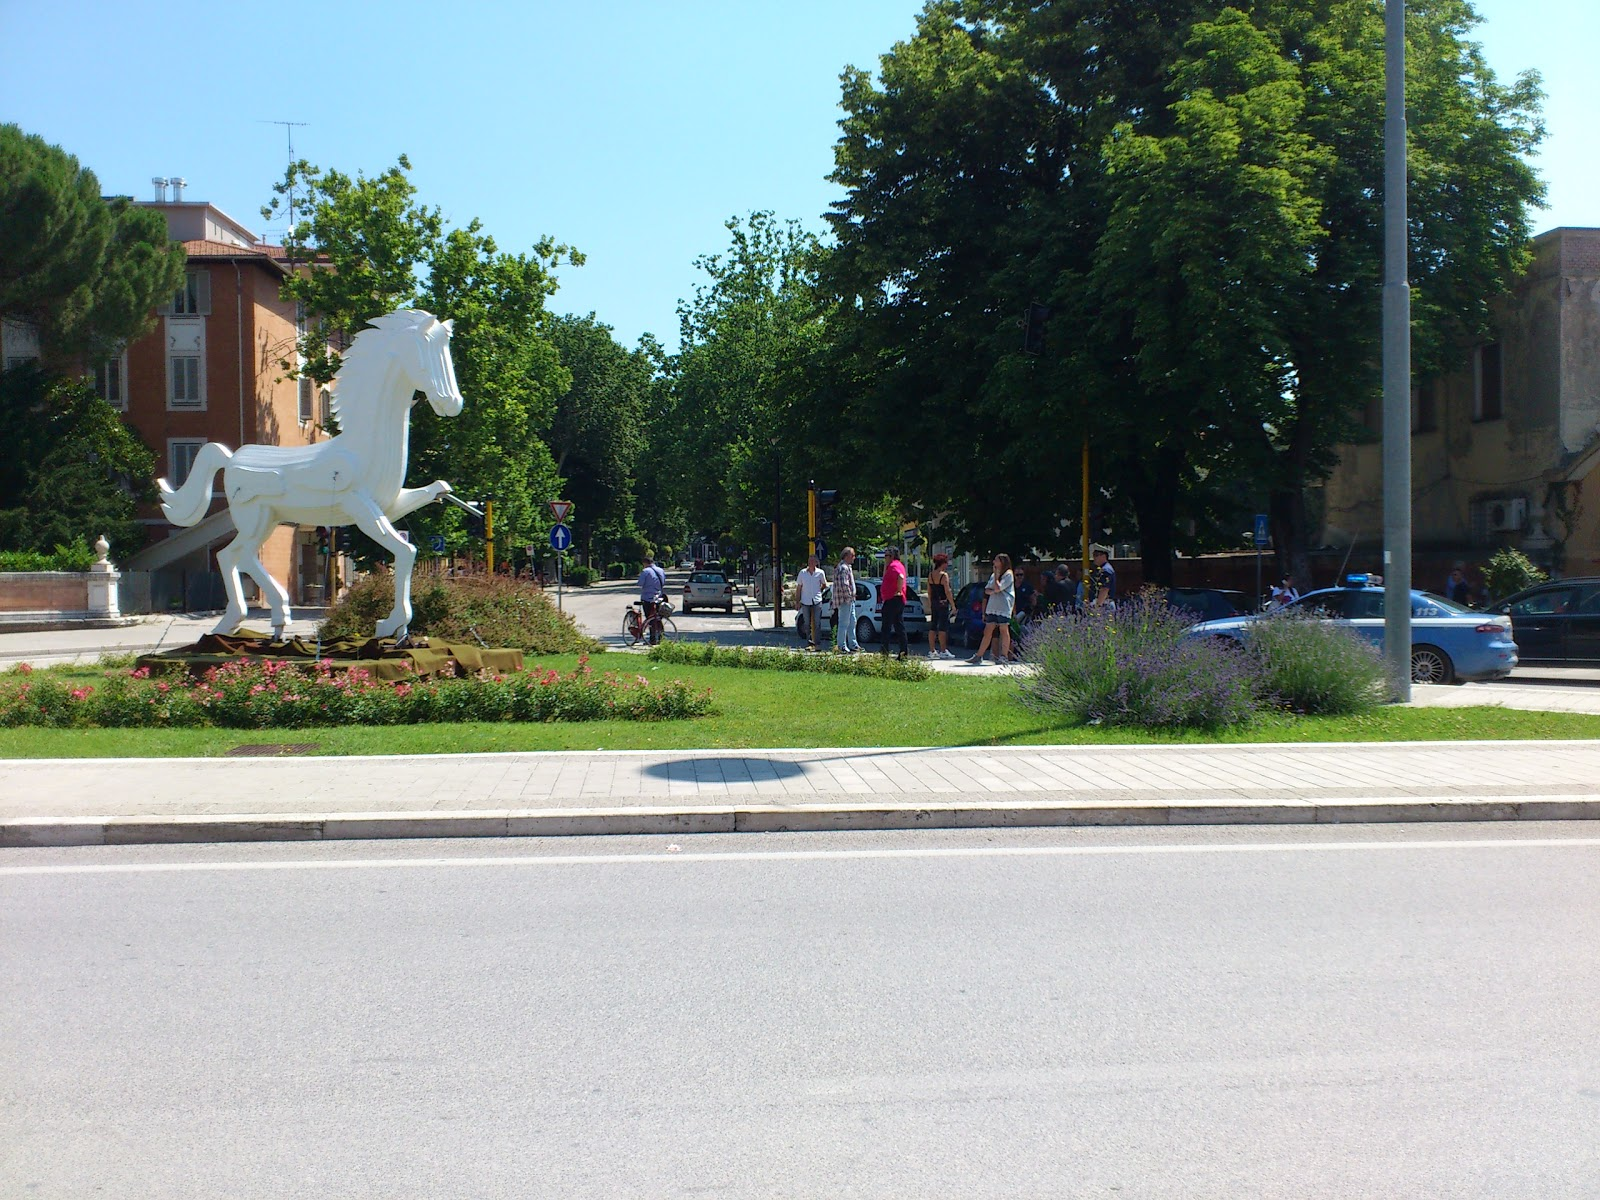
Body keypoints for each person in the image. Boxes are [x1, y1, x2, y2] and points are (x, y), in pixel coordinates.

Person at [967, 553, 1014, 665]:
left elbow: (998, 587)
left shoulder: (1008, 574)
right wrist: (994, 588)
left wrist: (997, 577)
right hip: (993, 606)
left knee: (1003, 630)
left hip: (1003, 606)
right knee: (988, 630)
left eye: (996, 560)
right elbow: (987, 590)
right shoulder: (993, 575)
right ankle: (979, 655)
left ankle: (1004, 656)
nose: (994, 562)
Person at [879, 546, 910, 659]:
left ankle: (884, 653)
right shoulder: (894, 565)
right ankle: (903, 653)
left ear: (892, 556)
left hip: (893, 599)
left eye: (887, 556)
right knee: (898, 626)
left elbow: (900, 577)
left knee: (886, 627)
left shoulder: (894, 566)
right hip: (895, 599)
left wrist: (898, 590)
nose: (885, 558)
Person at [926, 552, 955, 659]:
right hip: (943, 603)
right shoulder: (944, 575)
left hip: (934, 603)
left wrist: (930, 603)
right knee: (943, 627)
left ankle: (932, 650)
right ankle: (943, 650)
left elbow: (929, 591)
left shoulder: (930, 575)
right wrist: (953, 605)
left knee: (933, 626)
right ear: (942, 563)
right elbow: (947, 591)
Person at [797, 553, 828, 651]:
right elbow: (799, 587)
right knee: (807, 623)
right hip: (806, 600)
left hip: (817, 600)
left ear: (816, 563)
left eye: (812, 561)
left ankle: (817, 643)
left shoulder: (820, 573)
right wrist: (797, 601)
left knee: (817, 623)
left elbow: (824, 584)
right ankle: (809, 643)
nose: (810, 563)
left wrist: (819, 590)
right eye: (809, 561)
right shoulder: (802, 573)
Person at [833, 547, 860, 653]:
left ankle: (853, 644)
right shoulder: (843, 567)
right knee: (844, 623)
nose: (854, 557)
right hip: (845, 600)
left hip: (850, 600)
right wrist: (849, 596)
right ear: (847, 556)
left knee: (852, 622)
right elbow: (844, 585)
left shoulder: (847, 567)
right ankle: (841, 646)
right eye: (853, 555)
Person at [637, 553, 668, 644]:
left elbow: (640, 583)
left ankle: (652, 639)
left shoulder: (645, 571)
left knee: (649, 618)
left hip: (648, 598)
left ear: (645, 563)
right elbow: (664, 581)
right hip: (659, 597)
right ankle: (661, 637)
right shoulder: (661, 570)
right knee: (658, 618)